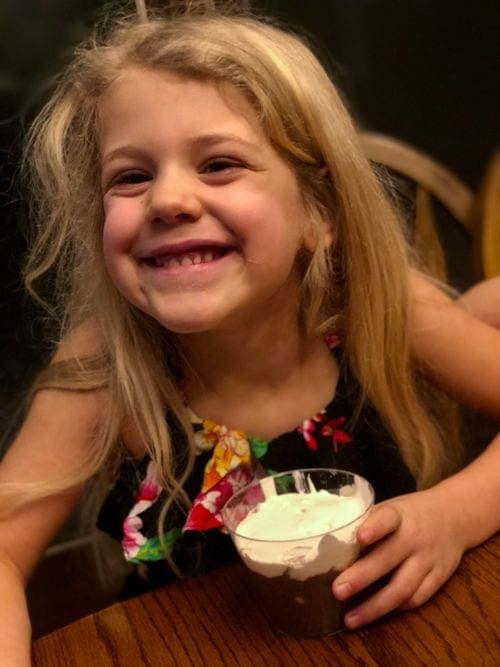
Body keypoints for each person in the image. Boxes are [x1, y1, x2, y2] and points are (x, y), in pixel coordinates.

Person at [1, 3, 499, 663]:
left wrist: (456, 513)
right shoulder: (106, 369)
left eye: (219, 164)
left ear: (319, 213)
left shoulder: (380, 312)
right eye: (131, 176)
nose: (168, 199)